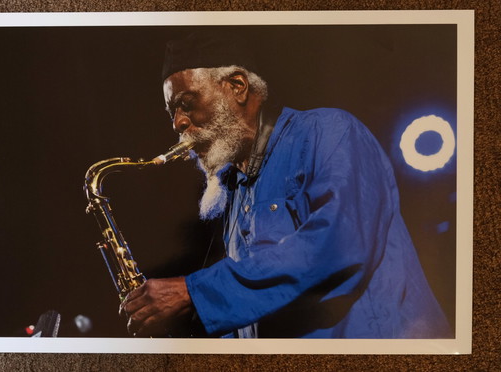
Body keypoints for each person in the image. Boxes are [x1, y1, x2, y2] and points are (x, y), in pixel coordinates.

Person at [120, 32, 453, 338]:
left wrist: (193, 293)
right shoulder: (234, 193)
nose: (178, 122)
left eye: (187, 103)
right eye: (172, 112)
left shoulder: (329, 131)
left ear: (237, 86)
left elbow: (338, 246)